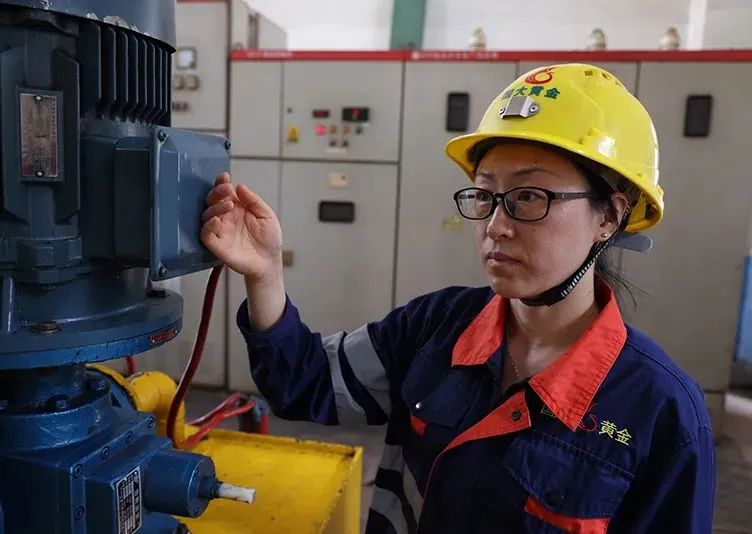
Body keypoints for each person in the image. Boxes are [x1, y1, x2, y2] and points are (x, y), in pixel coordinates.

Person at [200, 63, 715, 533]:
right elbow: (304, 382)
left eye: (529, 196)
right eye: (485, 195)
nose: (496, 226)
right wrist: (265, 274)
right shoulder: (436, 326)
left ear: (610, 216)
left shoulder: (662, 412)